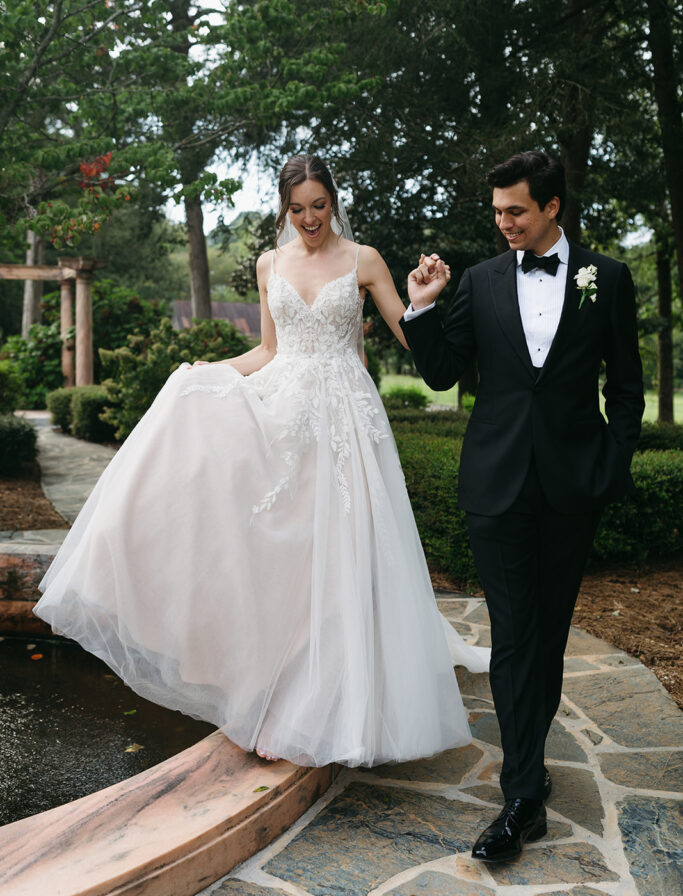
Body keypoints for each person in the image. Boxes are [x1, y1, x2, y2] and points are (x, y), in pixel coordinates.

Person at [35, 154, 488, 770]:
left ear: (334, 201)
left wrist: (425, 302)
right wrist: (208, 373)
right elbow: (271, 349)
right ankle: (277, 689)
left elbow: (412, 340)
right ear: (284, 208)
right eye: (297, 208)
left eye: (319, 205)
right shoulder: (268, 263)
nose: (309, 219)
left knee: (341, 553)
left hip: (345, 422)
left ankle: (343, 702)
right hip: (284, 410)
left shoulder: (364, 259)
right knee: (280, 551)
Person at [401, 150, 644, 862]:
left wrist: (613, 458)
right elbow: (443, 373)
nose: (502, 222)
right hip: (496, 482)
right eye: (497, 210)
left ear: (550, 208)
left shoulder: (608, 279)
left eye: (515, 210)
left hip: (571, 484)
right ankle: (520, 793)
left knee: (545, 634)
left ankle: (525, 775)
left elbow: (625, 385)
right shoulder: (476, 281)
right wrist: (422, 304)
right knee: (511, 635)